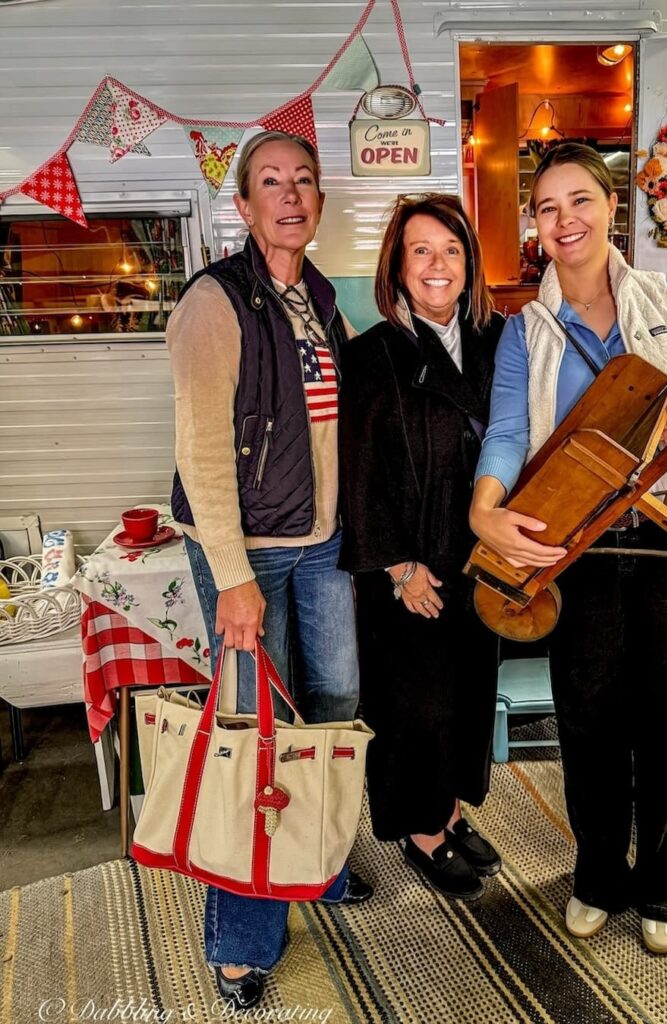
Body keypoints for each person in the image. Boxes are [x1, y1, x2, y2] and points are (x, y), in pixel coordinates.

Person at [468, 143, 667, 954]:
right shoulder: (526, 329)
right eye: (548, 208)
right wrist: (485, 512)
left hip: (666, 547)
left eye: (579, 200)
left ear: (610, 207)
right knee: (586, 722)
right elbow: (510, 431)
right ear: (535, 226)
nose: (565, 220)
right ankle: (596, 874)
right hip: (576, 551)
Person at [166, 130, 369, 1011]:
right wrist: (232, 576)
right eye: (271, 184)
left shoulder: (320, 301)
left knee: (331, 706)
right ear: (243, 207)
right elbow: (204, 453)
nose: (291, 196)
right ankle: (241, 941)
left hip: (319, 545)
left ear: (318, 203)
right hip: (246, 554)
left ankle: (310, 865)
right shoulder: (215, 301)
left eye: (304, 182)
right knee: (253, 738)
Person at [339, 194, 505, 900]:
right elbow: (357, 470)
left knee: (468, 696)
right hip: (408, 566)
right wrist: (400, 566)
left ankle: (452, 810)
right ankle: (420, 830)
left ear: (470, 264)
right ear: (397, 267)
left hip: (483, 557)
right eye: (420, 251)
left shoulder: (501, 341)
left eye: (451, 250)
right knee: (416, 707)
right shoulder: (371, 355)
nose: (437, 266)